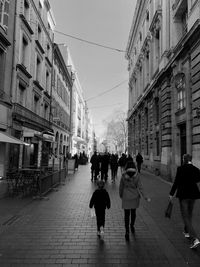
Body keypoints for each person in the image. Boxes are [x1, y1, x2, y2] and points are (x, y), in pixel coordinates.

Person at [169, 154, 200, 249]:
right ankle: (187, 231)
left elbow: (176, 182)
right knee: (189, 214)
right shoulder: (196, 169)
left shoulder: (180, 169)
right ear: (191, 160)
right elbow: (198, 180)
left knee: (185, 216)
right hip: (193, 195)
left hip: (183, 195)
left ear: (184, 160)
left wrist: (171, 194)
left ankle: (195, 239)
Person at [119, 161, 150, 241]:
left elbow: (121, 186)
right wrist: (146, 197)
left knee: (126, 215)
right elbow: (140, 187)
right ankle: (132, 225)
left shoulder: (123, 175)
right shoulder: (137, 175)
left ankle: (127, 232)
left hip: (126, 196)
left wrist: (121, 194)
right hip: (134, 196)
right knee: (133, 212)